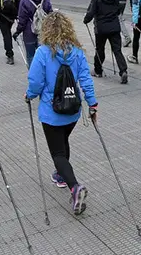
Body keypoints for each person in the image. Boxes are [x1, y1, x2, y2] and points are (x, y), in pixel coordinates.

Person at [26, 12, 97, 215]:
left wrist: (29, 95)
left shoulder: (42, 53)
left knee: (57, 152)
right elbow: (85, 79)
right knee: (63, 141)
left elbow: (36, 82)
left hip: (52, 111)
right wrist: (93, 104)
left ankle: (74, 187)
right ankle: (60, 175)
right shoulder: (77, 52)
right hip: (72, 109)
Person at [83, 0, 128, 84]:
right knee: (117, 50)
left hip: (101, 28)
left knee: (100, 49)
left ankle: (98, 70)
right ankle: (123, 71)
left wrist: (86, 20)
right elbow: (118, 11)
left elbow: (91, 12)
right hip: (114, 27)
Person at [13, 0, 53, 65]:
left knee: (31, 56)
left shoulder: (24, 1)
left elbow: (22, 21)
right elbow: (51, 16)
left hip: (29, 34)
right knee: (44, 56)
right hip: (44, 33)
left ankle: (33, 75)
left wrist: (17, 32)